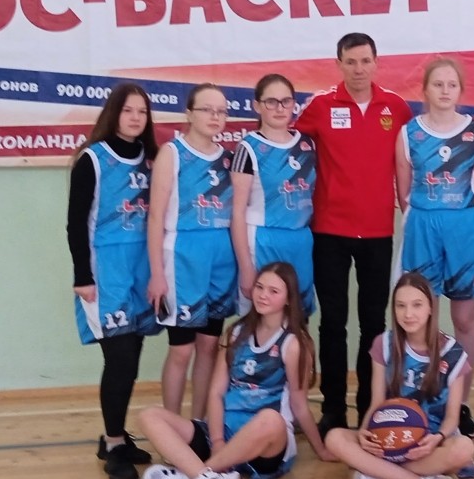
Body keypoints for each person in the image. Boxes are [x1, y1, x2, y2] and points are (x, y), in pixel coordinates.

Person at [136, 262, 334, 479]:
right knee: (149, 416)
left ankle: (191, 476)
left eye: (273, 291)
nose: (263, 295)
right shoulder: (236, 332)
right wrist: (217, 439)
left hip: (265, 444)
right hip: (223, 434)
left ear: (288, 299)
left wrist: (320, 450)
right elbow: (216, 392)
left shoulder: (293, 343)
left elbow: (299, 404)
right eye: (259, 287)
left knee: (270, 419)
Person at [295, 33, 413, 436]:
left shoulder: (396, 107)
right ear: (339, 64)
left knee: (374, 324)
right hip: (328, 231)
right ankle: (332, 409)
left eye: (365, 61)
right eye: (351, 61)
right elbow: (285, 142)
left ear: (376, 63)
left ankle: (369, 405)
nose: (359, 69)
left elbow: (425, 143)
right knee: (333, 323)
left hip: (378, 231)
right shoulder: (320, 106)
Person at [67, 83, 161, 479]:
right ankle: (114, 442)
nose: (136, 118)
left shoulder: (152, 158)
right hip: (107, 271)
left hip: (141, 267)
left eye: (142, 111)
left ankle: (115, 437)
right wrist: (83, 277)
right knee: (119, 359)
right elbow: (75, 223)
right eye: (128, 110)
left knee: (131, 358)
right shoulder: (93, 159)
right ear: (113, 113)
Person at [394, 57, 474, 438]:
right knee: (420, 319)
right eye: (438, 84)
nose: (445, 91)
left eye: (452, 84)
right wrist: (427, 214)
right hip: (423, 227)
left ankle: (460, 403)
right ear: (425, 90)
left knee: (464, 320)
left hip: (463, 229)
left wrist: (455, 215)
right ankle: (422, 398)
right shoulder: (409, 134)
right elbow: (403, 191)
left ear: (460, 90)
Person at [325, 271, 474, 479]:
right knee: (334, 438)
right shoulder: (383, 344)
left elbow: (452, 417)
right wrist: (364, 433)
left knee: (465, 448)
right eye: (400, 305)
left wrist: (437, 438)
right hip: (389, 437)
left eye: (417, 305)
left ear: (431, 307)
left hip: (429, 442)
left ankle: (376, 473)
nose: (408, 314)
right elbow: (376, 402)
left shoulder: (452, 352)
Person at [147, 84, 239, 421]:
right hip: (183, 257)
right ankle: (171, 425)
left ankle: (198, 426)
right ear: (189, 113)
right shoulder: (173, 153)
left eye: (222, 111)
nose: (215, 116)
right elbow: (155, 217)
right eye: (207, 109)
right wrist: (157, 273)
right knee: (181, 350)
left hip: (221, 260)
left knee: (209, 347)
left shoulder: (229, 158)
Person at [231, 74, 317, 317]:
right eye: (271, 102)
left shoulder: (308, 145)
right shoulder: (248, 148)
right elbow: (237, 212)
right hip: (262, 240)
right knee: (261, 319)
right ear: (257, 106)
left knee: (297, 319)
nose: (280, 108)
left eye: (286, 101)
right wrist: (246, 267)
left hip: (300, 242)